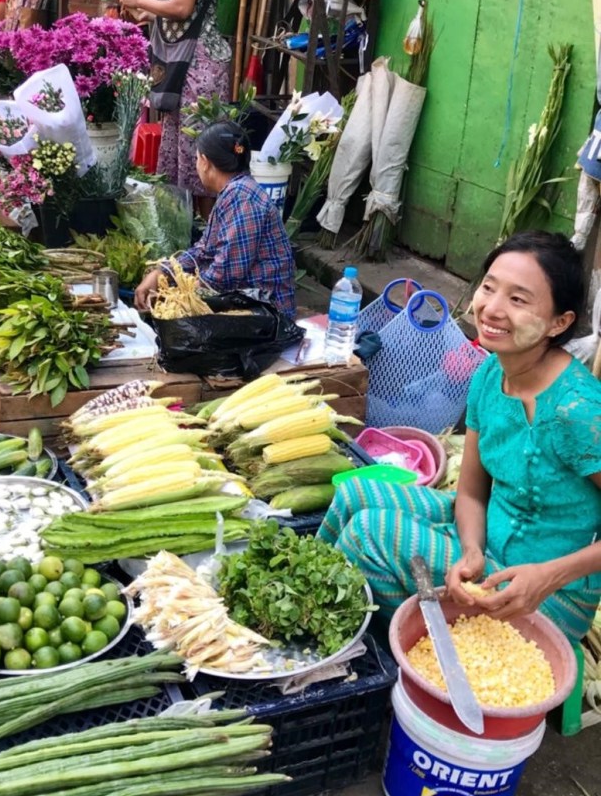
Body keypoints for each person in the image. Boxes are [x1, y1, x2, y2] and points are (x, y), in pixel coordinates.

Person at [318, 231, 601, 644]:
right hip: (487, 539)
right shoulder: (489, 374)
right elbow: (470, 493)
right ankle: (320, 607)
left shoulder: (578, 410)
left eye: (518, 300)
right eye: (489, 287)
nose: (492, 308)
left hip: (544, 590)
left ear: (560, 322)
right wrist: (471, 550)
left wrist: (549, 574)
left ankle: (427, 648)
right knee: (354, 495)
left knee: (368, 534)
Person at [114, 0, 231, 210]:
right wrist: (149, 13)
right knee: (189, 145)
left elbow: (181, 7)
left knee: (198, 148)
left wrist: (139, 0)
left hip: (199, 65)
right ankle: (195, 229)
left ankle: (205, 228)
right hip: (196, 64)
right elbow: (187, 12)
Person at [135, 122, 296, 318]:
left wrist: (179, 293)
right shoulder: (234, 191)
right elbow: (204, 250)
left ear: (204, 161)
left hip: (266, 315)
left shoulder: (242, 196)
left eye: (196, 159)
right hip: (245, 303)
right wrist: (163, 272)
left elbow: (226, 274)